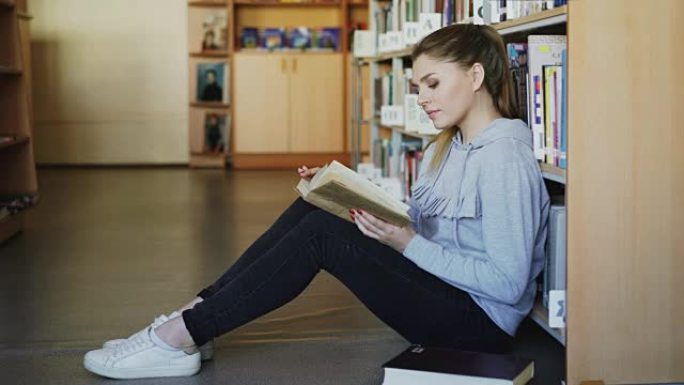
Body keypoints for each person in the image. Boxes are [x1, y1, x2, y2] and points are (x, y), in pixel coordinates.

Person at [83, 23, 550, 379]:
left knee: (322, 235)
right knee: (316, 209)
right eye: (416, 89)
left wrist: (405, 243)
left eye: (431, 83)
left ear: (475, 75)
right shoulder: (446, 146)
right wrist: (345, 196)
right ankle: (192, 318)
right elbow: (427, 227)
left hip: (477, 324)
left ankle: (178, 336)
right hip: (439, 288)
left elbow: (507, 285)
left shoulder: (505, 157)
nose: (422, 99)